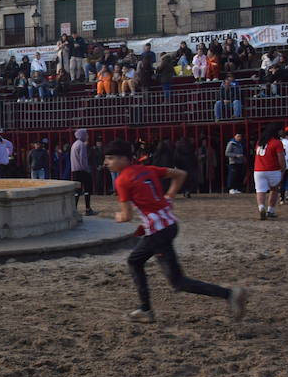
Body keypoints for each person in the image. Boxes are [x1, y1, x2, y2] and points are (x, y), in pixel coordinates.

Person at [104, 139, 247, 325]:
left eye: (110, 158)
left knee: (178, 282)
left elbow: (126, 216)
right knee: (135, 261)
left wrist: (116, 217)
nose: (107, 162)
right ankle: (144, 309)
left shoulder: (122, 180)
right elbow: (180, 174)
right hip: (168, 225)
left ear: (124, 159)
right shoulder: (147, 169)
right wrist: (170, 195)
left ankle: (230, 294)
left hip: (158, 232)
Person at [252, 124, 284, 221]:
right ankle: (271, 210)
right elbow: (281, 158)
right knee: (274, 189)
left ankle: (261, 207)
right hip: (273, 169)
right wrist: (283, 168)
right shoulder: (277, 142)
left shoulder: (259, 142)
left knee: (260, 190)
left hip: (258, 170)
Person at [70, 128, 96, 215]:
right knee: (87, 189)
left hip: (75, 170)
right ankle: (88, 209)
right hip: (82, 170)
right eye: (86, 134)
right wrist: (87, 169)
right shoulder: (81, 145)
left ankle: (74, 209)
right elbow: (83, 159)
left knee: (77, 191)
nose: (87, 136)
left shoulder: (74, 144)